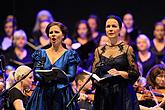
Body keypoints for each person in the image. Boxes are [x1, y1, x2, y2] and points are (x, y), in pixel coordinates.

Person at [26, 22, 80, 110]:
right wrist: (46, 78)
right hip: (42, 93)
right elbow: (36, 73)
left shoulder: (70, 54)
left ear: (63, 35)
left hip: (62, 95)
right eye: (51, 33)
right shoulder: (41, 53)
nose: (53, 35)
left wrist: (56, 76)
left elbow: (71, 76)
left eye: (56, 32)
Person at [92, 15, 140, 110]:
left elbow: (135, 73)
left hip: (123, 94)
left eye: (114, 26)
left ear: (120, 29)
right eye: (108, 26)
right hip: (104, 95)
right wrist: (96, 80)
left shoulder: (127, 49)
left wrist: (120, 73)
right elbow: (94, 74)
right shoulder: (99, 50)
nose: (110, 29)